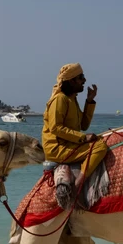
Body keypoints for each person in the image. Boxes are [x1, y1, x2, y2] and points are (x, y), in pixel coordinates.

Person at [42, 63, 108, 207]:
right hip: (58, 148)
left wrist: (89, 101)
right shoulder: (60, 99)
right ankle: (78, 185)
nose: (84, 80)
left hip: (69, 143)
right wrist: (83, 138)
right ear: (71, 81)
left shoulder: (72, 99)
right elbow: (55, 128)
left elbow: (83, 126)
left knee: (104, 139)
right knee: (100, 147)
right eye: (81, 77)